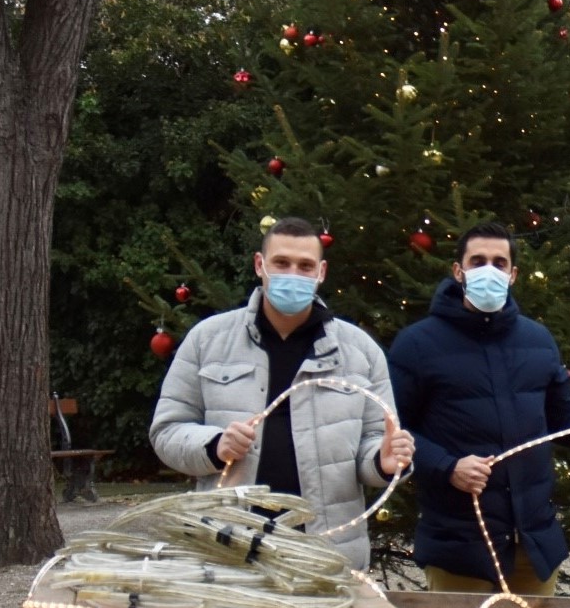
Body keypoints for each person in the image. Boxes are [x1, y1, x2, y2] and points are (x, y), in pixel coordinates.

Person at [388, 221, 570, 595]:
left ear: (513, 275)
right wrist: (448, 468)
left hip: (532, 545)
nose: (488, 270)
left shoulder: (538, 340)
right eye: (477, 261)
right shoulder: (417, 344)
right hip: (460, 547)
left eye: (499, 262)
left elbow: (566, 421)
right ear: (458, 271)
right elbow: (394, 429)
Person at [150, 216, 413, 570]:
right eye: (282, 263)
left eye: (305, 266)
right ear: (261, 266)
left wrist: (382, 463)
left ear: (321, 272)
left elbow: (375, 443)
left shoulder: (360, 352)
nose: (294, 274)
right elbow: (167, 431)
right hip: (228, 554)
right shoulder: (207, 340)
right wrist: (214, 446)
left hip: (327, 557)